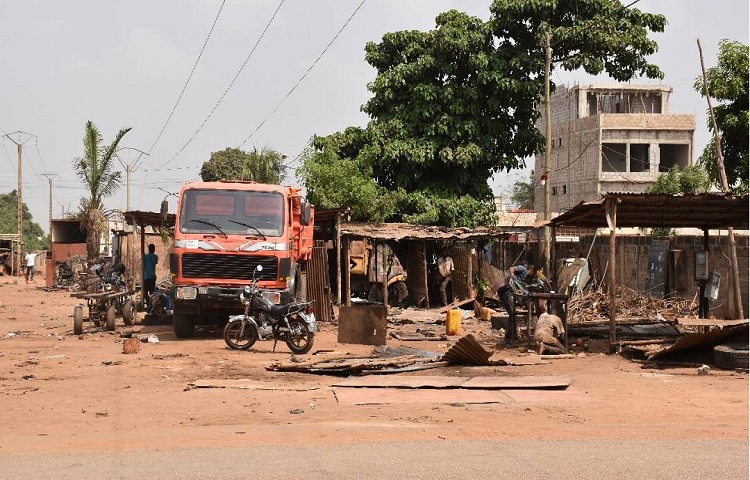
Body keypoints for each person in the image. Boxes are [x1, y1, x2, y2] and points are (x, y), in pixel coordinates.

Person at [497, 259, 527, 346]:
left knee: (512, 313)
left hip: (504, 292)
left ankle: (510, 336)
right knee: (512, 313)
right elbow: (512, 268)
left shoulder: (521, 278)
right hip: (505, 292)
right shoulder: (523, 269)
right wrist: (513, 275)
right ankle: (511, 337)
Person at [143, 244, 158, 309]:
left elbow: (143, 265)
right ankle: (151, 305)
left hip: (146, 277)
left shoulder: (145, 256)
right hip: (152, 277)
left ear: (148, 249)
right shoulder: (156, 257)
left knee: (145, 292)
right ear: (154, 249)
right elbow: (155, 263)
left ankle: (148, 304)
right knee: (152, 292)